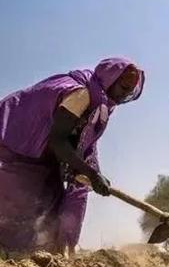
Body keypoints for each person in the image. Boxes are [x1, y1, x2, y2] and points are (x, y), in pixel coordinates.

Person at [0, 57, 145, 255]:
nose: (124, 95)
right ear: (110, 80)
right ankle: (11, 252)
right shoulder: (80, 94)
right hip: (17, 136)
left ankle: (50, 251)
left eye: (130, 92)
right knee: (21, 193)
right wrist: (92, 175)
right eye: (123, 87)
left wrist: (91, 173)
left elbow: (82, 145)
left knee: (52, 194)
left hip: (42, 151)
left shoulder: (99, 107)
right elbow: (58, 141)